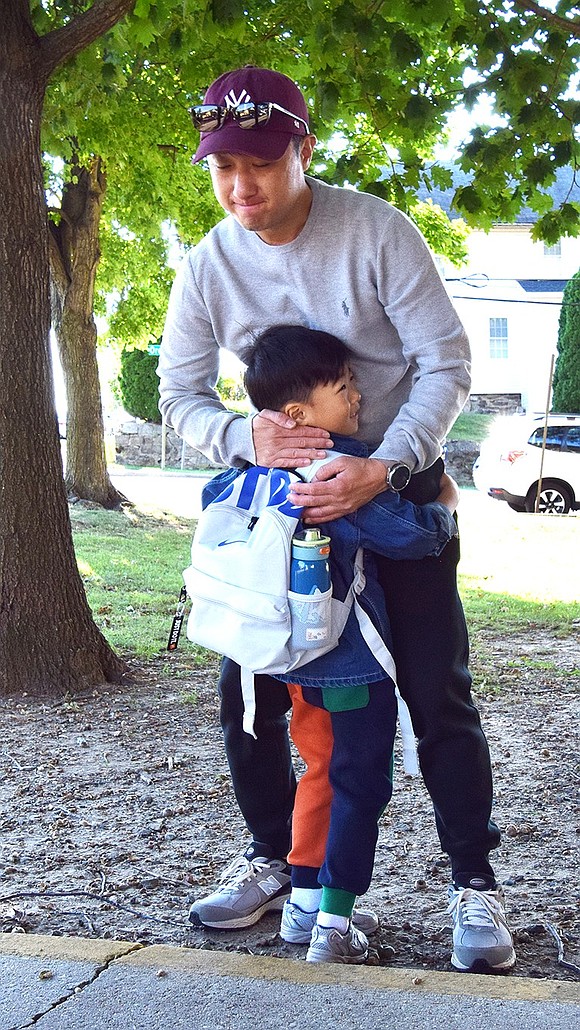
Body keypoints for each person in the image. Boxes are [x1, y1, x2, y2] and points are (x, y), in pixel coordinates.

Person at [158, 64, 516, 973]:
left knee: (435, 694)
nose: (242, 186)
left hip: (396, 498)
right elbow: (177, 396)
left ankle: (473, 882)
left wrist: (382, 466)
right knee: (250, 701)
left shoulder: (376, 232)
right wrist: (244, 436)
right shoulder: (209, 263)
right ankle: (277, 863)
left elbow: (445, 364)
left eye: (262, 162)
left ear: (303, 151)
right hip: (279, 531)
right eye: (223, 166)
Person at [236, 323, 460, 963]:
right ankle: (334, 922)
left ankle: (301, 906)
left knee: (320, 772)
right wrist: (444, 503)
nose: (358, 396)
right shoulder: (340, 472)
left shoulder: (255, 472)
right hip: (356, 664)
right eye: (344, 386)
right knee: (362, 780)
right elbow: (414, 537)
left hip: (288, 659)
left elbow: (213, 501)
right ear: (300, 414)